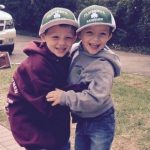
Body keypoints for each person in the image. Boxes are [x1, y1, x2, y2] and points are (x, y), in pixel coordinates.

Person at [46, 5, 121, 150]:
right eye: (89, 32)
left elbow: (96, 99)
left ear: (109, 36)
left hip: (101, 120)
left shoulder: (104, 66)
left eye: (103, 34)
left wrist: (65, 97)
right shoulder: (75, 49)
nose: (95, 39)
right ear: (79, 34)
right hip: (82, 118)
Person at [6, 7, 80, 150]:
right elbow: (49, 103)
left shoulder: (59, 57)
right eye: (55, 37)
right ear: (43, 36)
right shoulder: (37, 65)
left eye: (68, 38)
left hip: (49, 129)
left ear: (75, 38)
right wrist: (79, 95)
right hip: (36, 133)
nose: (62, 43)